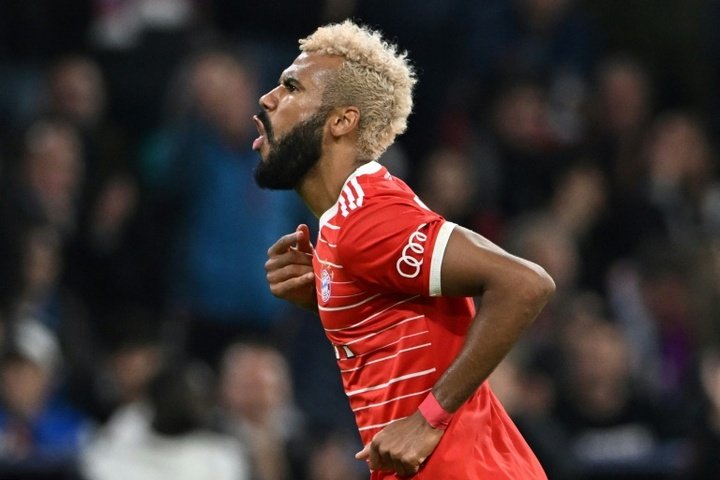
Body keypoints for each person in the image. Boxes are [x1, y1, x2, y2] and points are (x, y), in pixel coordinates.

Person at [254, 20, 556, 479]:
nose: (267, 98)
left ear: (341, 121)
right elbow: (405, 329)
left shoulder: (367, 219)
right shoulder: (348, 220)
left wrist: (428, 419)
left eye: (291, 87)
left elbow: (526, 283)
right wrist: (329, 297)